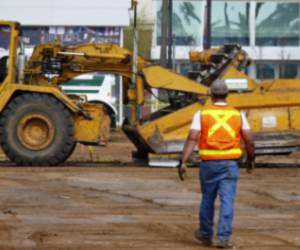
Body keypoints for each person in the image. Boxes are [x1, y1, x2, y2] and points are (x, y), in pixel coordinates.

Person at [179, 80, 255, 249]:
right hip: (230, 165)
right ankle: (224, 238)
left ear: (211, 95)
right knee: (227, 200)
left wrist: (183, 161)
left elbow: (192, 138)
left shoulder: (202, 114)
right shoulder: (238, 115)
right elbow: (249, 141)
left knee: (207, 199)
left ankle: (206, 235)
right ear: (227, 94)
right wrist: (250, 159)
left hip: (209, 165)